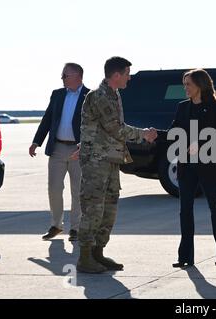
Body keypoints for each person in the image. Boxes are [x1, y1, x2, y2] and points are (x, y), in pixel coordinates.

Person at [76, 57, 157, 273]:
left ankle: (97, 253)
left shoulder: (115, 94)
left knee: (109, 208)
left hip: (110, 159)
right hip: (96, 161)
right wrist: (143, 135)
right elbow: (116, 128)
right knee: (93, 208)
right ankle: (85, 257)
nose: (130, 77)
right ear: (116, 75)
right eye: (127, 73)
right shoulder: (99, 96)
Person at [169, 69, 216, 268]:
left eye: (188, 84)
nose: (185, 88)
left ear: (200, 85)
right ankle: (185, 256)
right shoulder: (182, 107)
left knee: (214, 205)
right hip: (186, 166)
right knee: (185, 209)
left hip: (208, 165)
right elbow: (174, 131)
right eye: (185, 84)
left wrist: (202, 143)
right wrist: (155, 136)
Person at [30, 63, 89, 242]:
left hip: (78, 150)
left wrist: (86, 145)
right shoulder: (57, 94)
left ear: (77, 75)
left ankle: (76, 228)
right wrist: (36, 141)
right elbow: (47, 118)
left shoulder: (90, 96)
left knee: (78, 190)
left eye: (65, 75)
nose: (62, 79)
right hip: (57, 148)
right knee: (54, 188)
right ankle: (56, 225)